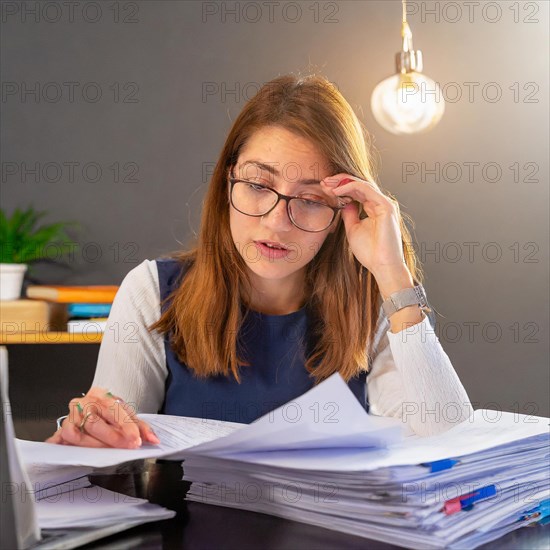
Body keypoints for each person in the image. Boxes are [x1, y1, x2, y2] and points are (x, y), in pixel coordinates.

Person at [47, 73, 473, 449]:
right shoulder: (150, 290)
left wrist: (392, 272)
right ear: (227, 180)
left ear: (343, 212)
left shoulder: (376, 302)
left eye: (309, 200)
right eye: (256, 184)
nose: (276, 222)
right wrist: (91, 428)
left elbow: (448, 436)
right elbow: (108, 446)